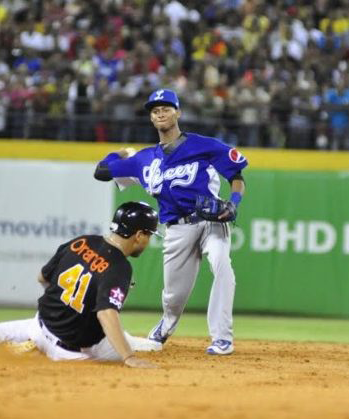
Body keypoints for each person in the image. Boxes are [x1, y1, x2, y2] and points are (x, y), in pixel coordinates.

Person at [93, 89, 248, 355]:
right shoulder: (143, 159)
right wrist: (118, 154)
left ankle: (222, 337)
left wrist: (233, 202)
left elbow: (237, 175)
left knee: (222, 266)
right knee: (174, 297)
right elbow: (101, 172)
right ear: (151, 119)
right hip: (177, 228)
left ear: (178, 112)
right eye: (155, 110)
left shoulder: (203, 145)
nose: (161, 113)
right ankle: (165, 325)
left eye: (166, 108)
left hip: (211, 221)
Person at [0, 202, 163, 369]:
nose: (148, 240)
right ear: (139, 235)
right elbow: (106, 313)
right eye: (149, 234)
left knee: (7, 331)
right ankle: (37, 354)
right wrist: (128, 357)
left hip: (41, 323)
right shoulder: (119, 267)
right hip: (72, 350)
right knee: (129, 345)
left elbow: (42, 277)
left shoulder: (81, 241)